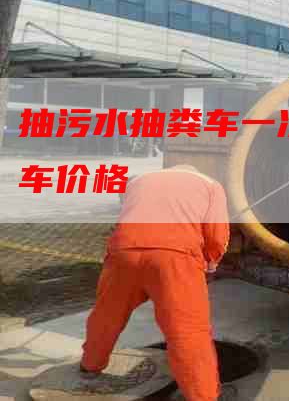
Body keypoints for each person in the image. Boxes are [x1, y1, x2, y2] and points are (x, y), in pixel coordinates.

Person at [81, 164, 230, 401]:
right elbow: (217, 233)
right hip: (175, 258)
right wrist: (211, 262)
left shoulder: (138, 180)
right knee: (188, 330)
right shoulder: (211, 185)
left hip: (124, 251)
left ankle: (90, 365)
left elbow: (129, 211)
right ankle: (203, 396)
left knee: (107, 314)